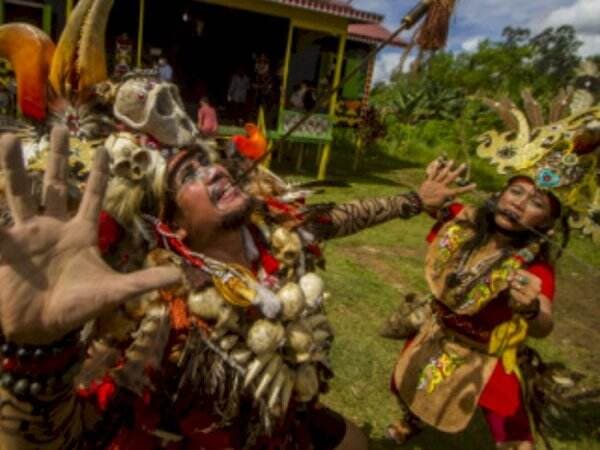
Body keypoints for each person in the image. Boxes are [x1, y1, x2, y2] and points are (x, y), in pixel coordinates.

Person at [0, 124, 473, 449]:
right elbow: (65, 435)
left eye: (210, 162)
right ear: (174, 227)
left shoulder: (277, 230)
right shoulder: (164, 310)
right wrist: (37, 352)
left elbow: (346, 216)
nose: (215, 170)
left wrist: (416, 199)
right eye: (188, 175)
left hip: (288, 417)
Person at [388, 160, 566, 450]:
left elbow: (544, 323)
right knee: (408, 383)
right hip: (437, 332)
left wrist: (531, 308)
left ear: (545, 223)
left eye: (535, 203)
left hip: (487, 354)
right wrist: (429, 189)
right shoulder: (465, 222)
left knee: (513, 430)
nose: (519, 204)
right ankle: (412, 422)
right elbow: (438, 206)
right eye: (516, 192)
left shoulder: (536, 268)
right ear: (501, 194)